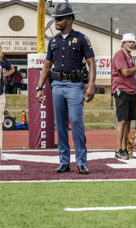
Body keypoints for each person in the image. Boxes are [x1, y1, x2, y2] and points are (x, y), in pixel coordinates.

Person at [36, 3, 96, 174]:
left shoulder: (81, 38)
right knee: (60, 124)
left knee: (76, 122)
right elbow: (46, 66)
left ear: (69, 20)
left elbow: (91, 63)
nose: (56, 21)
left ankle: (81, 162)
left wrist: (91, 85)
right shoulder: (53, 41)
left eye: (59, 18)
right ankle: (64, 161)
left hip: (75, 85)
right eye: (55, 18)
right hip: (57, 86)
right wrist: (39, 88)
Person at [112, 33, 136, 160]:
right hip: (122, 90)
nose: (132, 44)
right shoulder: (120, 54)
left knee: (129, 122)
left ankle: (125, 149)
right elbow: (125, 73)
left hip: (131, 91)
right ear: (123, 43)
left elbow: (134, 77)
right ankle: (118, 149)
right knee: (122, 121)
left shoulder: (130, 57)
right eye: (129, 41)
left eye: (133, 42)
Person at [0, 44, 15, 160]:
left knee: (0, 124)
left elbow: (12, 68)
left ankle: (0, 151)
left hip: (0, 94)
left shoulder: (2, 59)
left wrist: (3, 75)